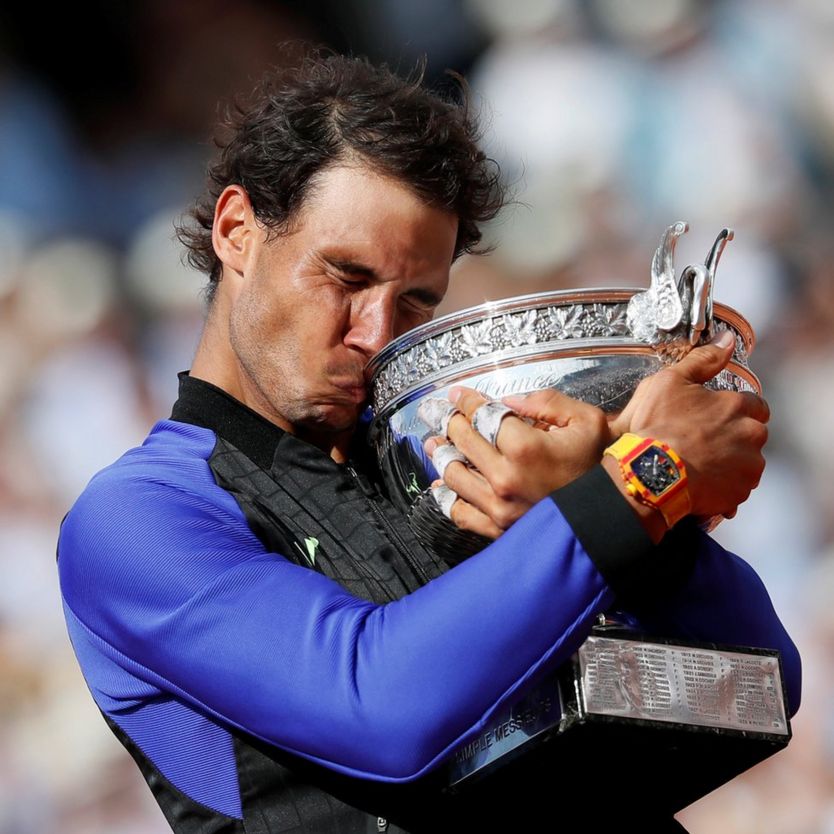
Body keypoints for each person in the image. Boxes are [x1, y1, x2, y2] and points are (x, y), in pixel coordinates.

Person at [57, 52, 800, 833]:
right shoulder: (135, 518)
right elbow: (380, 706)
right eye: (344, 278)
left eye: (415, 300)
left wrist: (642, 516)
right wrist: (639, 480)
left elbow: (758, 683)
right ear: (238, 231)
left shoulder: (463, 457)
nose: (375, 335)